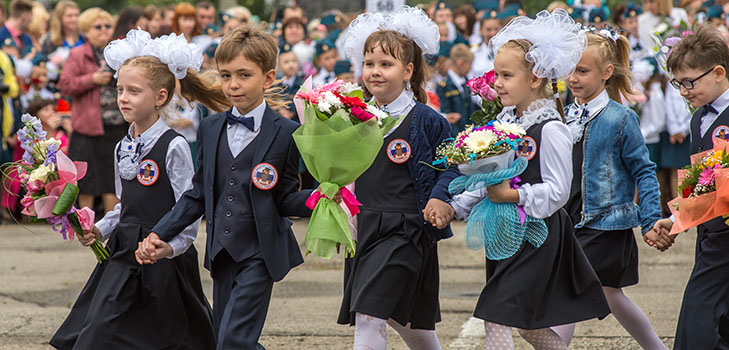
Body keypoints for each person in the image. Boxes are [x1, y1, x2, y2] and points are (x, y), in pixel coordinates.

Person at [50, 28, 230, 349]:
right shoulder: (122, 146)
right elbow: (124, 205)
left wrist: (172, 247)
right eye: (120, 89)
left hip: (162, 256)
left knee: (170, 335)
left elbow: (188, 207)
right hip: (123, 253)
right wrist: (99, 229)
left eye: (133, 91)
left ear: (160, 97)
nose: (123, 98)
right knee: (99, 328)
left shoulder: (173, 145)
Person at [136, 25, 312, 350]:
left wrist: (321, 198)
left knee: (234, 340)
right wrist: (161, 232)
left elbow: (286, 197)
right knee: (224, 340)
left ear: (268, 78)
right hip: (221, 252)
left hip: (261, 252)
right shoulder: (210, 127)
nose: (233, 85)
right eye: (226, 75)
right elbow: (198, 194)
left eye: (244, 75)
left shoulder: (286, 132)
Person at [445, 10, 610, 349]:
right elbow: (488, 177)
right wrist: (456, 206)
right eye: (496, 75)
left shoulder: (550, 129)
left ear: (535, 79)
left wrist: (514, 197)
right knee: (525, 326)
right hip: (506, 234)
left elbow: (558, 192)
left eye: (506, 75)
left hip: (538, 237)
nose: (497, 83)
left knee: (497, 314)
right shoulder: (507, 124)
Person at [337, 7, 461, 350]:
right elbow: (339, 168)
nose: (375, 72)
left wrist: (440, 197)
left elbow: (451, 165)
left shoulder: (428, 120)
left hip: (405, 229)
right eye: (369, 63)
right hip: (366, 228)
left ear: (408, 70)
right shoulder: (351, 115)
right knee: (401, 318)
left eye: (385, 64)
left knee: (369, 314)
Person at [560, 30, 668, 350]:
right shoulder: (566, 115)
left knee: (570, 291)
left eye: (583, 70)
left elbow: (645, 172)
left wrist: (650, 220)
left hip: (606, 225)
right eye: (571, 69)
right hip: (571, 221)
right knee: (610, 295)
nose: (573, 78)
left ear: (607, 72)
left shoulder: (621, 118)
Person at [653, 24, 729, 350]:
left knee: (697, 321)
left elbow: (715, 181)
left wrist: (676, 219)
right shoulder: (699, 118)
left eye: (689, 82)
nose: (683, 91)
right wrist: (675, 220)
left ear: (718, 72)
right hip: (710, 233)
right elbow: (702, 178)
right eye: (678, 84)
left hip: (724, 235)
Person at [59, 8, 124, 215]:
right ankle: (85, 225)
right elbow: (65, 85)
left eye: (107, 26)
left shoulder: (119, 53)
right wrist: (91, 80)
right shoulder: (78, 54)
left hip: (116, 125)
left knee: (112, 179)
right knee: (85, 179)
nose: (104, 30)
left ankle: (112, 225)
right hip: (87, 127)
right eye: (98, 27)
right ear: (86, 31)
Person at [437, 43, 476, 137]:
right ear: (460, 63)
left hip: (469, 131)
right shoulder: (444, 85)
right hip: (454, 132)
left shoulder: (466, 81)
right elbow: (446, 112)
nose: (470, 69)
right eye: (469, 65)